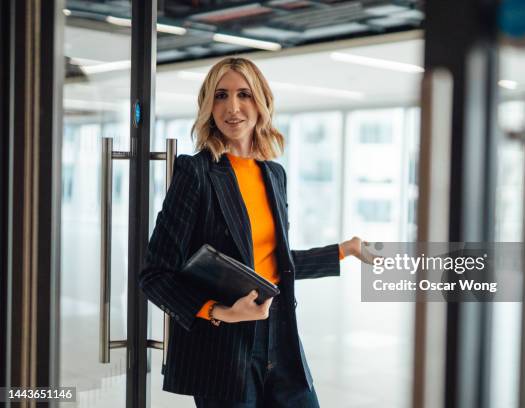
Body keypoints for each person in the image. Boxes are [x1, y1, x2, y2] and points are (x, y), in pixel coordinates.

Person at [139, 57, 373, 408]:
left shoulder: (274, 174)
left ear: (261, 101)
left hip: (279, 336)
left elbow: (271, 262)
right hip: (221, 349)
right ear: (208, 105)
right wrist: (221, 311)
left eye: (244, 94)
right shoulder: (196, 173)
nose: (232, 108)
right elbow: (154, 275)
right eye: (221, 95)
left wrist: (345, 250)